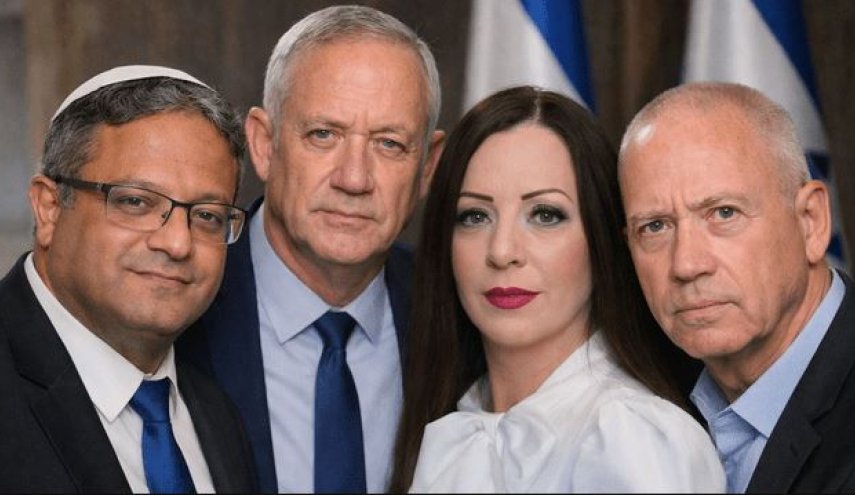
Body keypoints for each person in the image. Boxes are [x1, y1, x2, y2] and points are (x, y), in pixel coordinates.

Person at [390, 86, 725, 493]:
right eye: (475, 216)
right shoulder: (453, 425)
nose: (502, 251)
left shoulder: (630, 436)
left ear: (601, 237)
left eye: (545, 215)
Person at [177, 5, 445, 493]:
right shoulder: (174, 303)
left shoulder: (457, 315)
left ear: (427, 166)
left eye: (389, 144)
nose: (354, 179)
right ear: (264, 144)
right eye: (324, 135)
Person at [0, 65, 257, 492]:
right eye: (136, 202)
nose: (177, 243)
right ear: (49, 208)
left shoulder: (218, 412)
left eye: (207, 216)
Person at [618, 81, 855, 493]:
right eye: (655, 226)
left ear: (811, 222)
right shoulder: (633, 412)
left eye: (724, 213)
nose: (687, 265)